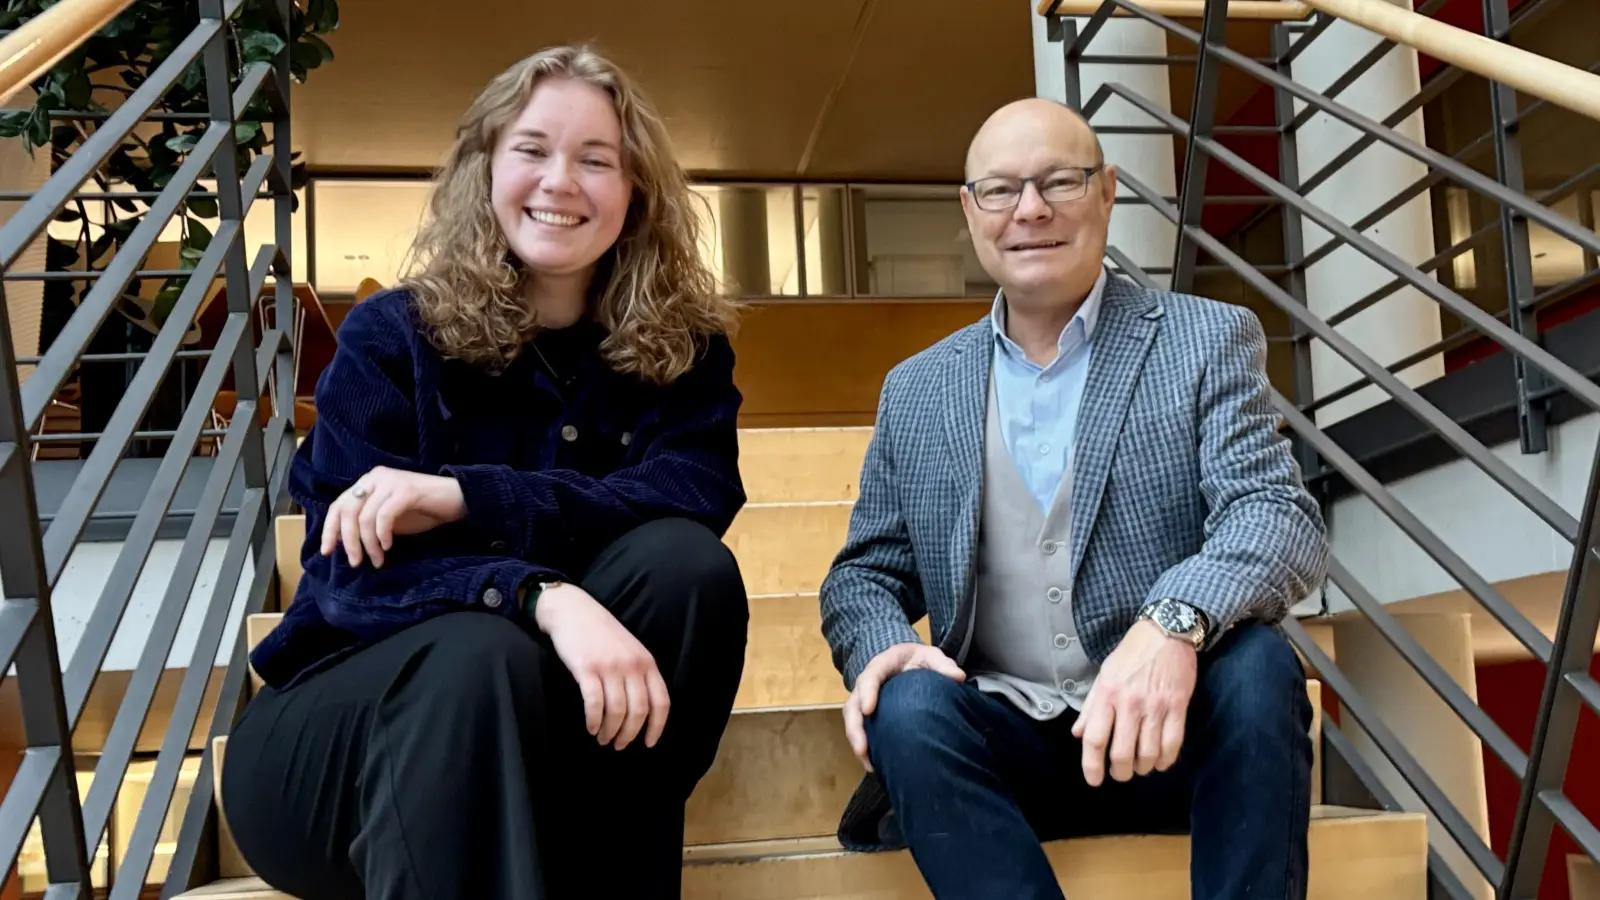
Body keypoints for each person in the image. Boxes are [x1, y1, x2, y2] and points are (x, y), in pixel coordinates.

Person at [221, 45, 750, 900]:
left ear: (636, 192)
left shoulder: (684, 355)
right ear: (486, 169)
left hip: (557, 759)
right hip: (340, 750)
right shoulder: (390, 338)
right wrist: (540, 593)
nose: (561, 182)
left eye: (596, 159)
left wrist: (468, 495)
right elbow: (347, 579)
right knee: (478, 655)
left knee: (688, 569)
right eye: (533, 149)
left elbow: (694, 492)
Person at [817, 96, 1329, 900]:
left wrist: (1173, 625)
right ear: (970, 209)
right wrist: (884, 647)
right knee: (907, 706)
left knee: (1261, 665)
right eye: (1002, 189)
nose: (1031, 210)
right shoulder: (916, 390)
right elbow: (863, 575)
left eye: (1060, 180)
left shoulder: (1205, 338)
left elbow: (1275, 515)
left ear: (1107, 190)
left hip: (1170, 740)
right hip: (1003, 751)